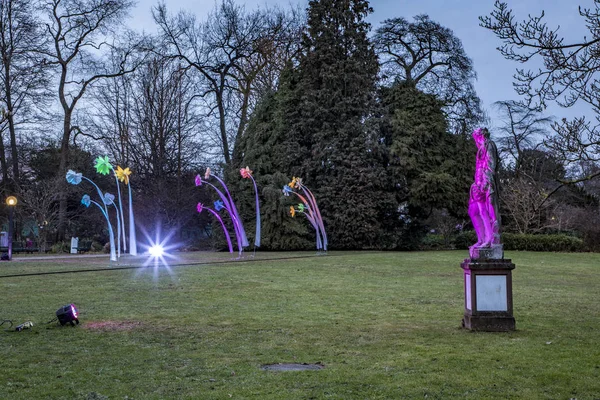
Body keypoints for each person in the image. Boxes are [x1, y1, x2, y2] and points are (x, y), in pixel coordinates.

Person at [468, 128, 501, 256]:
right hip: (479, 183)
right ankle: (482, 238)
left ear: (480, 135)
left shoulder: (489, 145)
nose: (475, 139)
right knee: (474, 210)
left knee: (485, 210)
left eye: (476, 136)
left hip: (486, 182)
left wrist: (485, 181)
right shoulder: (482, 147)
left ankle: (489, 238)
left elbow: (491, 164)